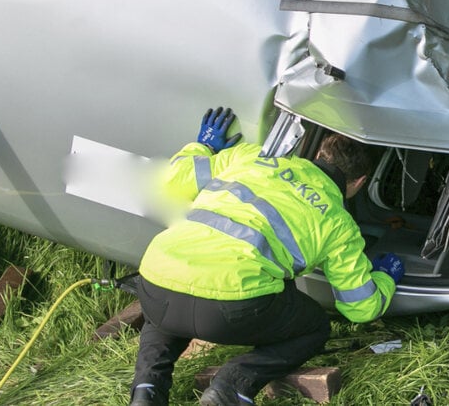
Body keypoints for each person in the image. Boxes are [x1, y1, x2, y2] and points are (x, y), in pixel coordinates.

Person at [129, 107, 405, 406]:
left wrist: (204, 146)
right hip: (230, 310)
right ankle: (231, 386)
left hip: (157, 279)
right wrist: (384, 278)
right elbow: (361, 308)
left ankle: (147, 391)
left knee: (163, 314)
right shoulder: (339, 224)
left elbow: (171, 180)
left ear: (319, 155)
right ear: (360, 182)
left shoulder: (251, 156)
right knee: (314, 326)